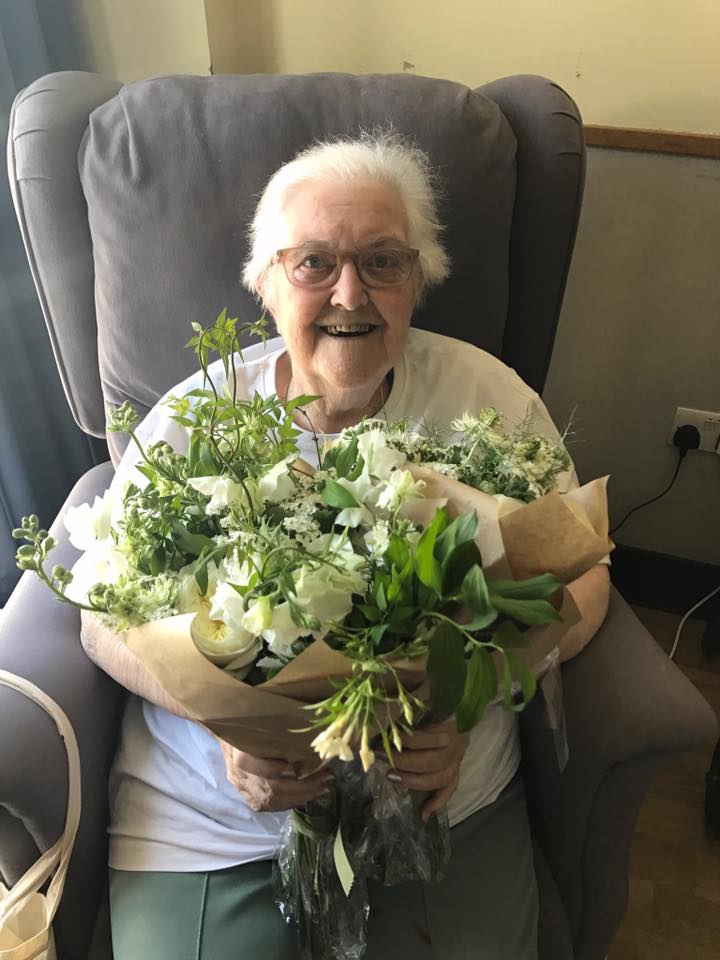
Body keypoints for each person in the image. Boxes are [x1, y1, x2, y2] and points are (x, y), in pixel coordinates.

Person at [85, 134, 610, 959]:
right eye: (314, 264)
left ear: (420, 279)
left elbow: (584, 580)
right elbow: (99, 618)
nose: (349, 292)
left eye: (383, 261)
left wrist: (475, 696)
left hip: (442, 798)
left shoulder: (488, 397)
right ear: (265, 284)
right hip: (215, 819)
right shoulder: (198, 415)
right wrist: (230, 727)